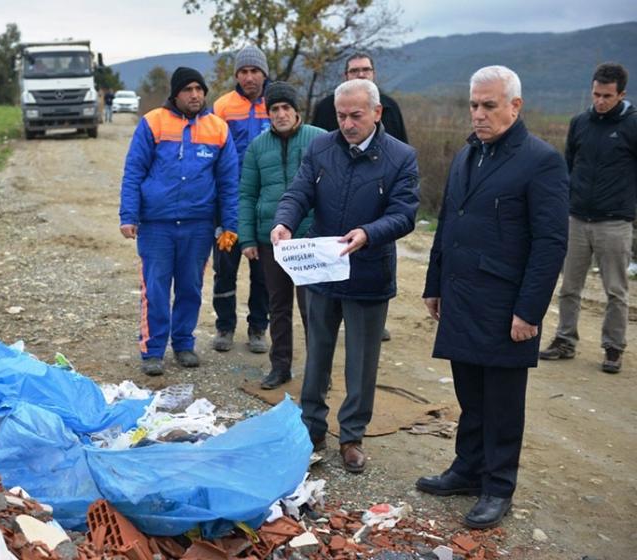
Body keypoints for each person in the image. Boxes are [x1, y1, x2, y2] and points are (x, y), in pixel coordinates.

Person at [418, 66, 568, 529]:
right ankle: (467, 469)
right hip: (462, 297)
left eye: (489, 106)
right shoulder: (469, 154)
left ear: (515, 106)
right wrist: (434, 282)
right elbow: (449, 222)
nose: (478, 114)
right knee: (470, 394)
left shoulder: (540, 160)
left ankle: (497, 486)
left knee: (503, 401)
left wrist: (529, 311)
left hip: (506, 306)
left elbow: (549, 244)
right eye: (473, 105)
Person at [271, 79, 419, 474]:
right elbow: (299, 192)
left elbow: (405, 214)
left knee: (361, 361)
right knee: (317, 352)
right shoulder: (320, 147)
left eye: (356, 116)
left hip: (369, 273)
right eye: (341, 116)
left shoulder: (401, 157)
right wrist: (284, 222)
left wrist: (369, 233)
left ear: (376, 113)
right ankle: (312, 427)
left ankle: (352, 435)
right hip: (323, 270)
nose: (348, 124)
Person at [119, 67, 239, 376]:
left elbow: (229, 182)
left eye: (200, 89)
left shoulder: (218, 129)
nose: (195, 94)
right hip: (156, 225)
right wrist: (128, 215)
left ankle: (184, 343)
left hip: (198, 226)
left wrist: (230, 224)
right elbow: (134, 171)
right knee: (156, 288)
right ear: (175, 94)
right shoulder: (152, 123)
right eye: (188, 89)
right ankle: (152, 349)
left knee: (190, 287)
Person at [539, 62, 636, 374]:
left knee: (616, 292)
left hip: (615, 222)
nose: (600, 101)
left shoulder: (633, 126)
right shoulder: (579, 123)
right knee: (569, 286)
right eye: (596, 94)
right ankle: (565, 340)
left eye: (607, 95)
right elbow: (568, 167)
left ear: (621, 93)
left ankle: (613, 348)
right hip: (577, 219)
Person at [312, 53, 407, 342]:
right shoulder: (326, 107)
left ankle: (372, 319)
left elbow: (401, 146)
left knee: (371, 262)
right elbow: (318, 152)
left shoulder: (389, 106)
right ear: (345, 76)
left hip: (374, 199)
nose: (361, 74)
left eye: (366, 70)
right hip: (334, 193)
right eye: (355, 70)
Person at [238, 82, 326, 390]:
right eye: (274, 109)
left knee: (313, 309)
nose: (280, 114)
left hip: (308, 238)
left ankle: (319, 372)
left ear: (297, 110)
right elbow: (247, 194)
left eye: (286, 107)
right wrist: (247, 238)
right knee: (278, 306)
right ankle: (280, 366)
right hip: (270, 239)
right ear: (268, 113)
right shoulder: (258, 146)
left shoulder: (319, 140)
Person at [211, 45, 272, 354]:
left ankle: (258, 328)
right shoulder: (222, 107)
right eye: (243, 71)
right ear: (236, 75)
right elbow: (211, 154)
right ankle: (224, 327)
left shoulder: (277, 105)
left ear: (264, 73)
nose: (249, 77)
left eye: (255, 71)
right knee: (225, 268)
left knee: (263, 273)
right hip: (229, 205)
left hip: (265, 206)